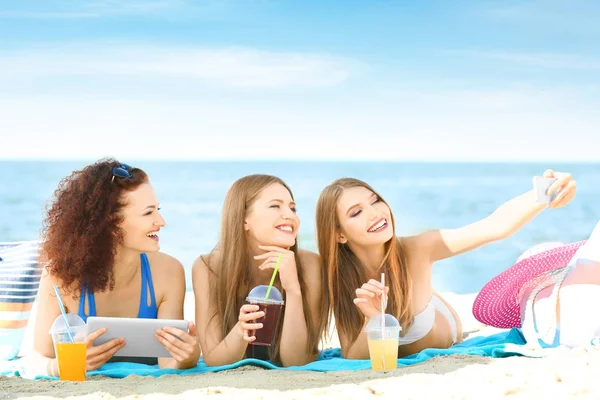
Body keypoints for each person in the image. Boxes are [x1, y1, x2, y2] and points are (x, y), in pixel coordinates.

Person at [315, 170, 577, 359]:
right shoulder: (344, 280)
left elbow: (493, 226)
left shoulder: (418, 248)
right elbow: (353, 357)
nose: (375, 212)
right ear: (339, 234)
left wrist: (545, 192)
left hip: (441, 319)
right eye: (356, 212)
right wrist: (374, 319)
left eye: (375, 200)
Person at [30, 159, 199, 376]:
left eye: (158, 209)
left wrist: (188, 357)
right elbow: (36, 359)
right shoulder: (59, 275)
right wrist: (63, 365)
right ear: (110, 222)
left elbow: (168, 361)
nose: (161, 221)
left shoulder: (168, 272)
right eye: (148, 213)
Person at [193, 174, 324, 366]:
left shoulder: (310, 264)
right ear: (244, 219)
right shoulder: (208, 268)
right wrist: (241, 330)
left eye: (292, 207)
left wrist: (293, 289)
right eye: (275, 206)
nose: (290, 215)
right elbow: (214, 360)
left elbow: (297, 361)